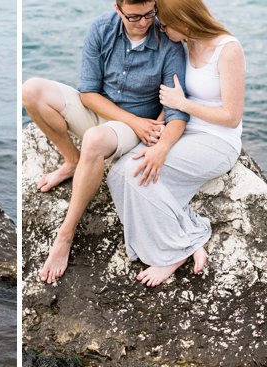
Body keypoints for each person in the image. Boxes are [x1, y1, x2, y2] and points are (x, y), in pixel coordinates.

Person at [21, 0, 188, 284]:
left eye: (150, 13)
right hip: (99, 111)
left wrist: (158, 143)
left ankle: (66, 234)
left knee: (95, 139)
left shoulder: (167, 42)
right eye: (135, 16)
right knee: (31, 89)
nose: (144, 22)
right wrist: (131, 120)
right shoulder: (101, 28)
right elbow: (87, 93)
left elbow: (176, 111)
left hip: (130, 129)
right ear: (118, 8)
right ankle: (72, 160)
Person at [107, 0, 245, 287]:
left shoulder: (227, 49)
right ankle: (190, 240)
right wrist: (161, 122)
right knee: (118, 173)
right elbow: (173, 96)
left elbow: (231, 117)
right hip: (182, 131)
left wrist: (183, 105)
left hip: (217, 140)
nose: (160, 27)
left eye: (165, 23)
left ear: (184, 20)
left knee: (138, 175)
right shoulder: (183, 44)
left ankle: (173, 253)